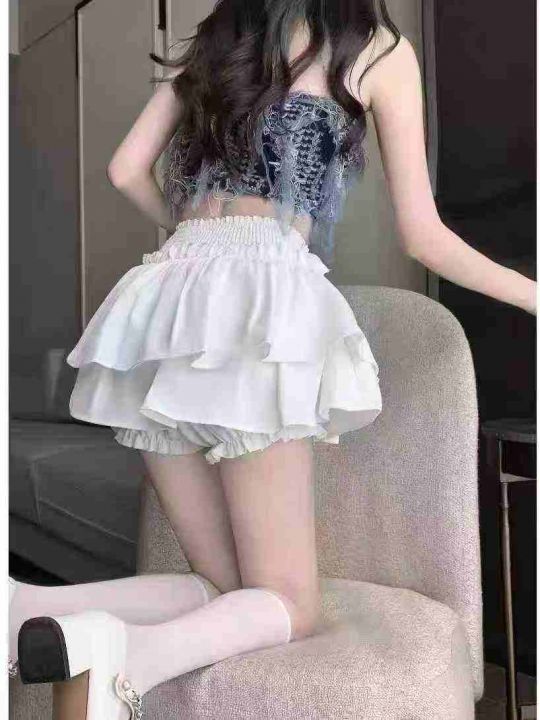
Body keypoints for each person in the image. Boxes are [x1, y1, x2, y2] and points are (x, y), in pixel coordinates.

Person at [9, 2, 536, 719]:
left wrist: (193, 243)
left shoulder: (221, 36)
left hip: (160, 298)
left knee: (230, 593)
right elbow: (423, 237)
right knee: (291, 604)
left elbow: (124, 167)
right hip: (260, 295)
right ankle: (122, 660)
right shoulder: (378, 48)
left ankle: (25, 608)